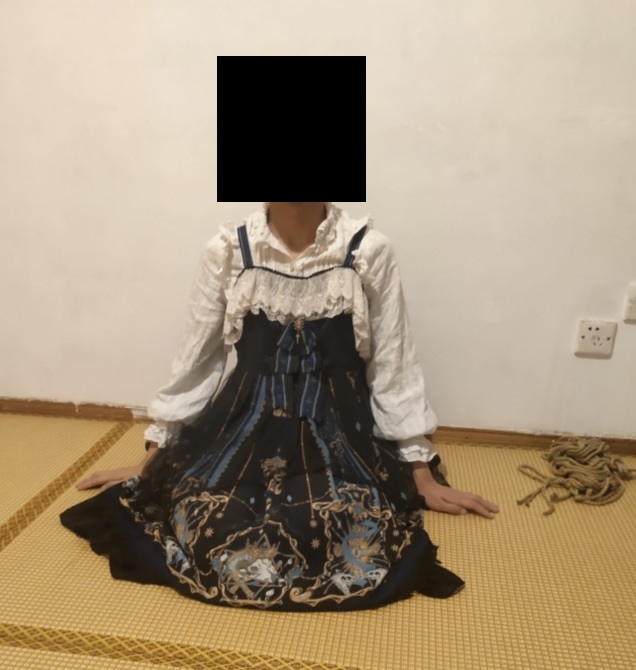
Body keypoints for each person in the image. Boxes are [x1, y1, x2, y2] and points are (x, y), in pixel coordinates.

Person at [60, 202, 499, 611]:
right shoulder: (228, 251)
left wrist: (419, 472)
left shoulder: (368, 250)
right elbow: (196, 362)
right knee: (211, 527)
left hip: (340, 430)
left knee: (336, 531)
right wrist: (153, 461)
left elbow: (393, 362)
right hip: (246, 425)